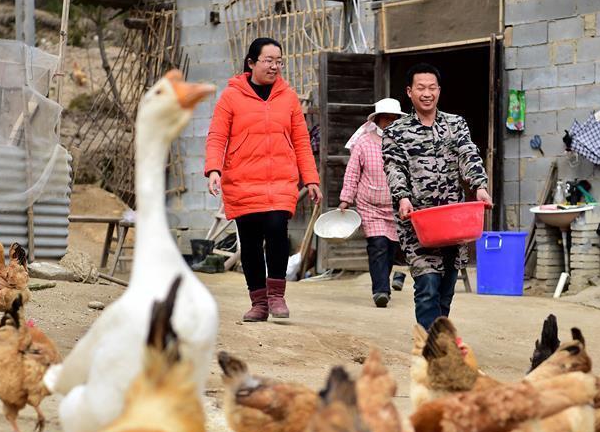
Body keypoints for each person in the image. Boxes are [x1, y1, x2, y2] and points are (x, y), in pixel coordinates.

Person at [205, 37, 322, 322]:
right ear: (251, 63)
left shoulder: (289, 97)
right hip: (242, 179)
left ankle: (276, 295)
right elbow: (217, 135)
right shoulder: (231, 97)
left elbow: (302, 141)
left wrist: (311, 179)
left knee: (276, 228)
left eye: (279, 61)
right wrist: (214, 170)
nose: (274, 66)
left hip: (280, 179)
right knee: (251, 240)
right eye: (268, 60)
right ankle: (258, 301)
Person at [382, 63, 492, 330]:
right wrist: (402, 197)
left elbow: (468, 155)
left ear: (439, 91)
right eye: (421, 88)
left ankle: (436, 336)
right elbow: (394, 167)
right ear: (409, 92)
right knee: (428, 284)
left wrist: (479, 185)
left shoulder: (456, 124)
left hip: (452, 220)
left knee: (445, 289)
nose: (427, 93)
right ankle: (430, 348)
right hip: (418, 220)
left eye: (432, 88)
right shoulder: (395, 132)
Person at [338, 98, 408, 308]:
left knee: (392, 248)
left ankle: (386, 281)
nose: (389, 122)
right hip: (370, 205)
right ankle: (380, 290)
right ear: (377, 120)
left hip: (397, 206)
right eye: (385, 118)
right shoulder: (364, 142)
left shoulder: (404, 143)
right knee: (378, 245)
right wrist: (345, 199)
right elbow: (352, 173)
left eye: (393, 118)